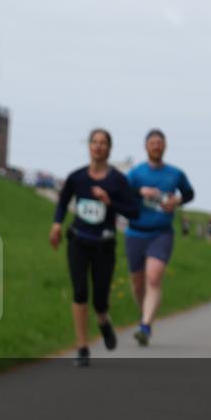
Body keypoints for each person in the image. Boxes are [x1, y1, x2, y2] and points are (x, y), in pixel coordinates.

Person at [49, 129, 140, 367]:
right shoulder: (77, 177)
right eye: (94, 142)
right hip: (78, 240)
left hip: (104, 244)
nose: (98, 147)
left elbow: (133, 212)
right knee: (80, 292)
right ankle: (82, 347)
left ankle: (103, 320)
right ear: (89, 147)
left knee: (99, 298)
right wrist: (57, 225)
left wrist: (111, 202)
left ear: (109, 149)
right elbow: (62, 201)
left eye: (103, 143)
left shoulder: (117, 181)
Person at [124, 129, 195, 346]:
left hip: (161, 233)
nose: (156, 146)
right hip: (136, 232)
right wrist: (139, 193)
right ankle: (144, 315)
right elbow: (121, 194)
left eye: (159, 143)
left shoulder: (175, 174)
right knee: (137, 283)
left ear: (165, 146)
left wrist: (176, 201)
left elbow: (189, 194)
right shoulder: (136, 174)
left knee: (153, 278)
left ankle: (145, 326)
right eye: (152, 142)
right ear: (146, 146)